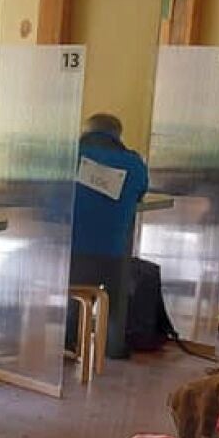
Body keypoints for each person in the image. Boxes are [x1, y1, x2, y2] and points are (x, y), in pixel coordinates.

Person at [68, 114, 149, 359]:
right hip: (113, 259)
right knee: (121, 268)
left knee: (71, 280)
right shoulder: (134, 164)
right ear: (118, 135)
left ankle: (68, 340)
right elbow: (140, 194)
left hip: (73, 256)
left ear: (86, 131)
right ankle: (113, 344)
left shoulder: (70, 157)